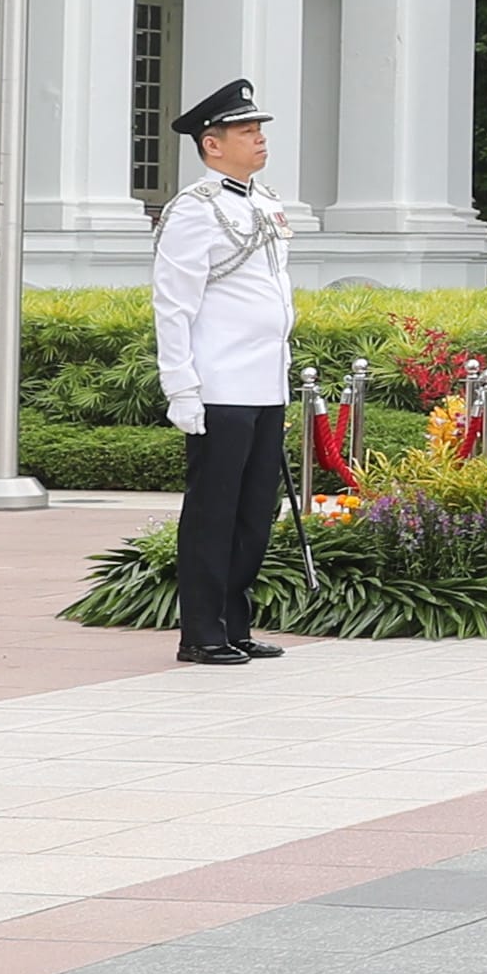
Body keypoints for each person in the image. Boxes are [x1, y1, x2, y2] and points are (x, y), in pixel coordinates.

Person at [151, 76, 305, 669]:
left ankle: (234, 622)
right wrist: (181, 385)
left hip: (264, 382)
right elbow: (174, 302)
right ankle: (201, 631)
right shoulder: (194, 211)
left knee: (254, 511)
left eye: (259, 129)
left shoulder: (264, 201)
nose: (259, 139)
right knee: (214, 511)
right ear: (212, 144)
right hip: (218, 384)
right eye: (246, 131)